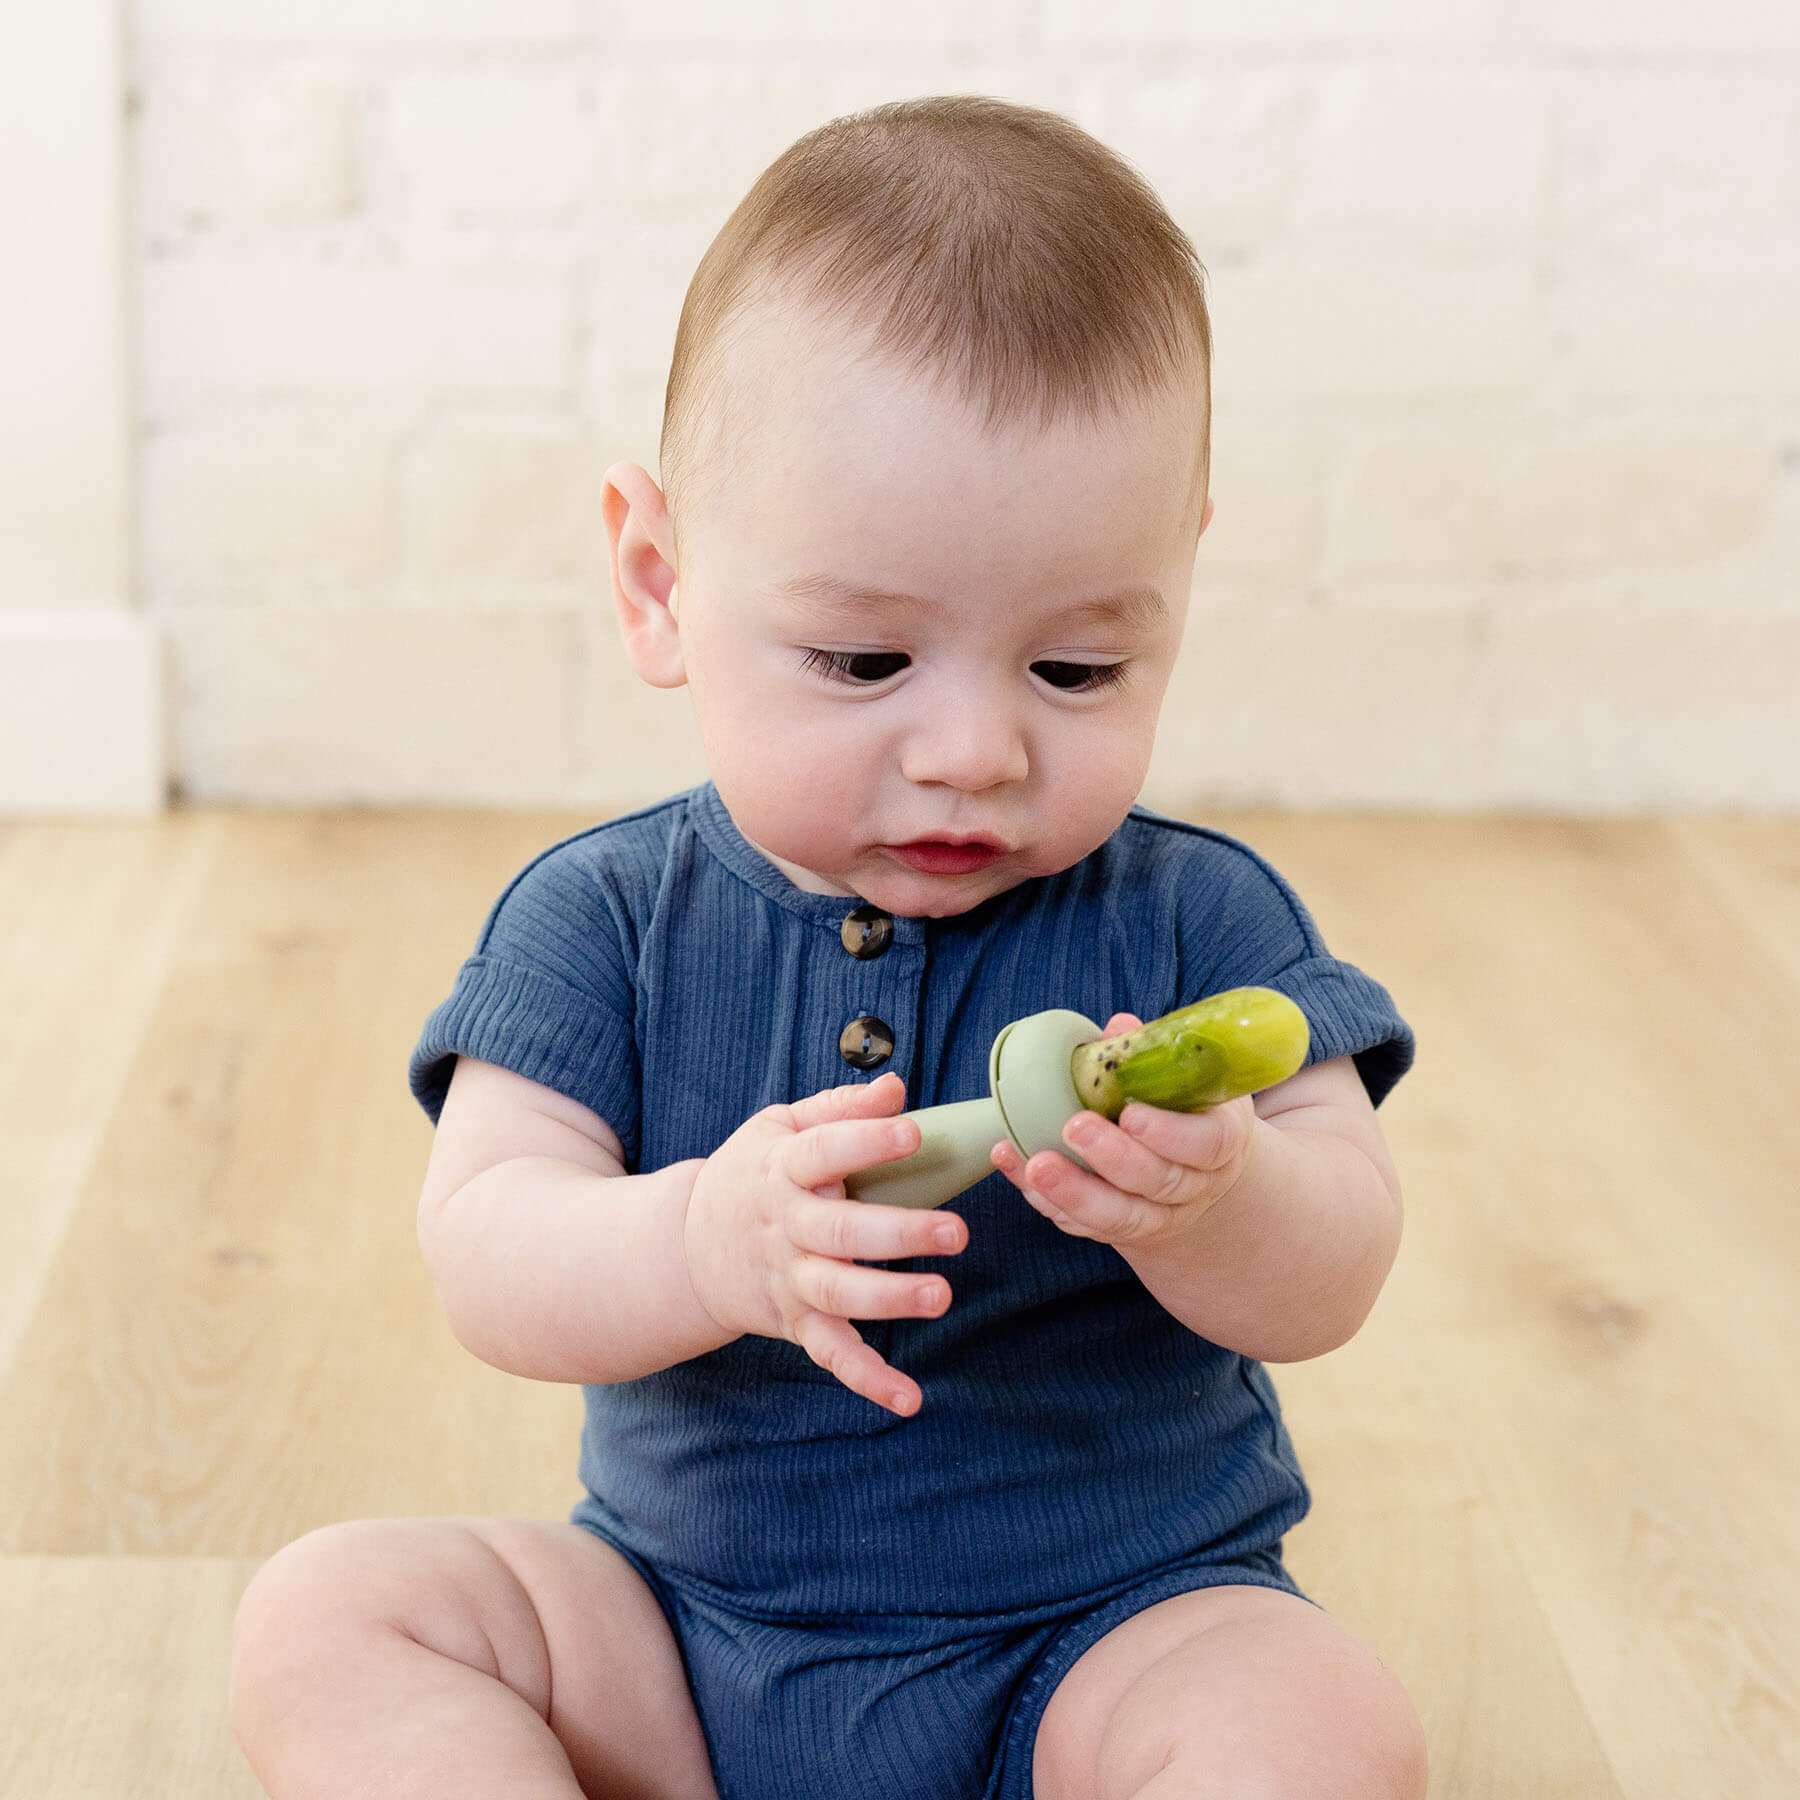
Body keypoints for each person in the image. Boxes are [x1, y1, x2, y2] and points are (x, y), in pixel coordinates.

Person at [228, 94, 1429, 1800]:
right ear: (658, 582)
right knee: (331, 1614)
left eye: (1073, 672)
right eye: (866, 664)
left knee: (1318, 1720)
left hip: (1103, 1638)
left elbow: (1341, 1274)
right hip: (676, 1641)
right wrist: (703, 1246)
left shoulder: (1193, 922)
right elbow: (488, 1255)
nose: (974, 753)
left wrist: (1227, 1199)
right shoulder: (606, 919)